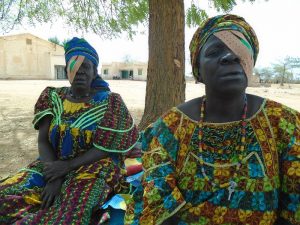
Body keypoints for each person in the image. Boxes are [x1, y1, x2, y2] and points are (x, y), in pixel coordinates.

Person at [124, 14, 300, 225]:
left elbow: (293, 208)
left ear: (250, 61)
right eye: (214, 52)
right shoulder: (169, 129)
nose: (230, 57)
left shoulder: (285, 124)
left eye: (240, 49)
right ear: (198, 68)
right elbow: (160, 209)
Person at [0, 37, 141, 224]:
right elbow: (43, 140)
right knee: (6, 195)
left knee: (70, 213)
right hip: (52, 163)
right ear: (67, 69)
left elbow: (107, 148)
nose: (80, 71)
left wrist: (67, 167)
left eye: (86, 67)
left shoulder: (110, 102)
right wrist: (54, 177)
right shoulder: (52, 96)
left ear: (94, 72)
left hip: (93, 168)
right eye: (74, 66)